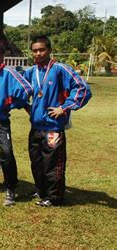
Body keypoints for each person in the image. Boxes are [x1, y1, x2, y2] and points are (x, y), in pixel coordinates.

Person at [24, 36, 91, 207]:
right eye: (35, 50)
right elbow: (21, 89)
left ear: (49, 50)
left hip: (53, 127)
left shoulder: (61, 69)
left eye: (42, 50)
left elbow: (82, 88)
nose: (38, 53)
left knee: (52, 164)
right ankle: (41, 190)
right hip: (36, 126)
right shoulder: (31, 71)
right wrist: (26, 106)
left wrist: (65, 107)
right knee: (37, 162)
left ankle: (54, 197)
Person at [0, 43, 33, 206]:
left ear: (2, 55)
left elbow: (27, 88)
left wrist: (11, 103)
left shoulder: (9, 73)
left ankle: (10, 187)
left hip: (1, 122)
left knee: (6, 153)